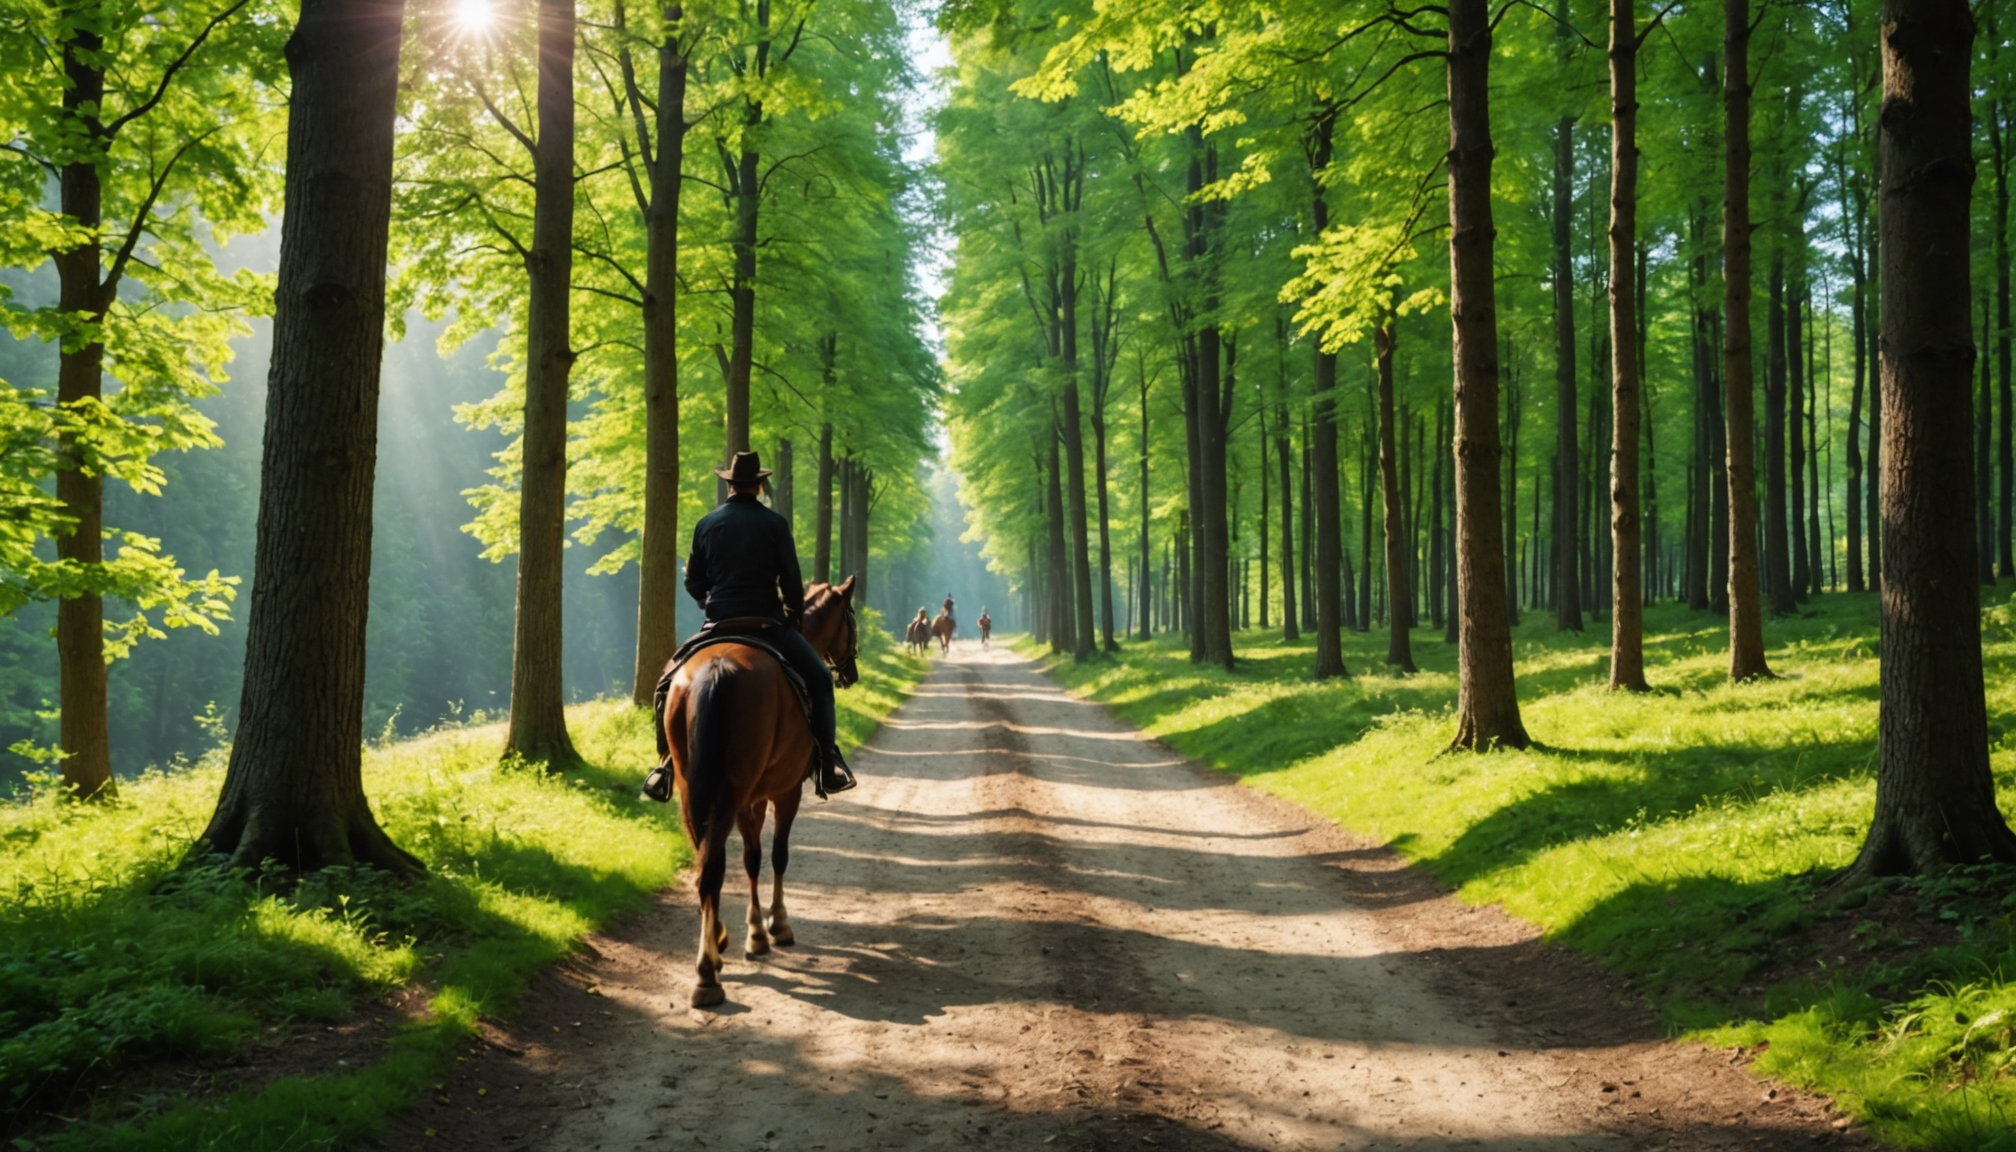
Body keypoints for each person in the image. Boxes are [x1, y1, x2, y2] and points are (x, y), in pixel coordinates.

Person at [684, 451, 855, 795]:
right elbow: (792, 581)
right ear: (760, 486)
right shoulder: (775, 524)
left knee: (668, 682)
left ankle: (664, 767)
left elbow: (693, 582)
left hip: (718, 623)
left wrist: (708, 601)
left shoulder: (706, 524)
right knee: (821, 680)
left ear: (729, 484)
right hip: (766, 624)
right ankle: (826, 763)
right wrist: (793, 609)